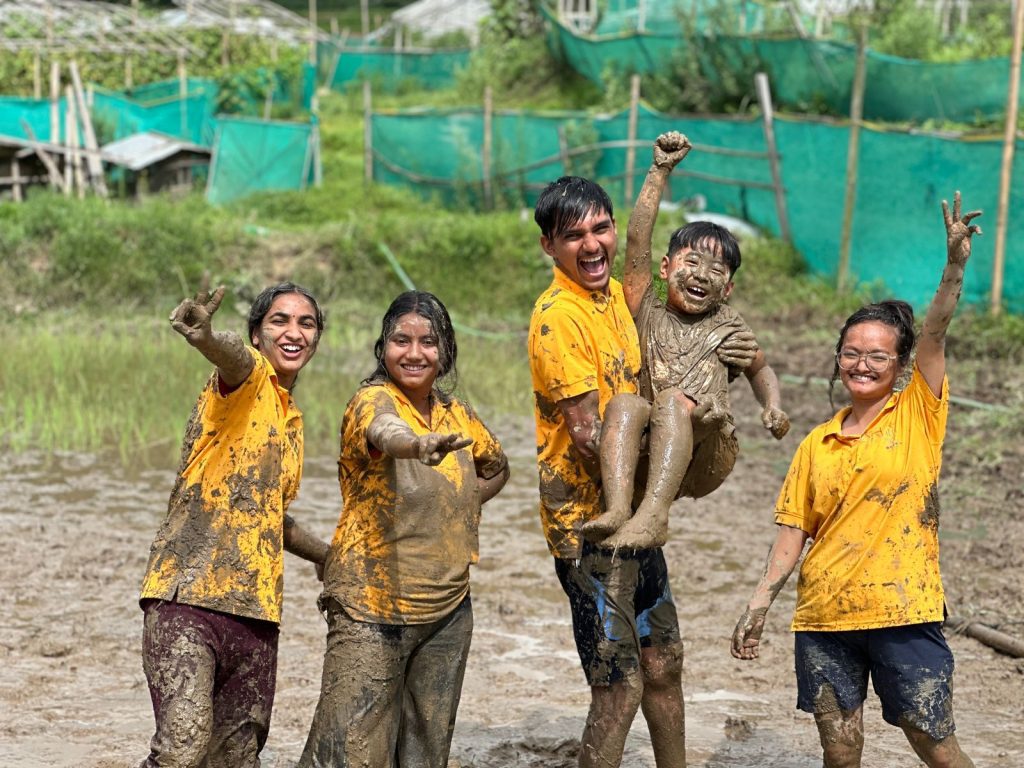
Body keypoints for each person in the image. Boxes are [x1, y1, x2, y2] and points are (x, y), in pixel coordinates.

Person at [730, 191, 981, 768]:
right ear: (838, 358)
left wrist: (955, 265)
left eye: (877, 356)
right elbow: (793, 532)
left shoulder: (918, 412)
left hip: (903, 611)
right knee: (840, 751)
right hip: (824, 617)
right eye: (851, 353)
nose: (862, 364)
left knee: (934, 744)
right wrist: (760, 602)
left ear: (900, 366)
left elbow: (937, 332)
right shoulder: (816, 444)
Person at [528, 176, 756, 768]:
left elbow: (687, 326)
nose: (592, 243)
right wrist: (680, 455)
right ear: (549, 247)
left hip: (637, 516)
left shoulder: (616, 303)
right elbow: (587, 439)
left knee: (663, 662)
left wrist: (728, 354)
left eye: (599, 227)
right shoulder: (559, 318)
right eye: (573, 235)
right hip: (594, 527)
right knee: (619, 683)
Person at [298, 290, 509, 768]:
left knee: (424, 752)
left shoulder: (458, 413)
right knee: (349, 751)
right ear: (383, 348)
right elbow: (384, 432)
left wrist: (457, 500)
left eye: (428, 342)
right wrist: (417, 446)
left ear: (446, 351)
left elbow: (497, 466)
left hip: (449, 610)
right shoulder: (371, 400)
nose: (414, 354)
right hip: (372, 606)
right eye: (400, 340)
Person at [139, 280, 331, 768]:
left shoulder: (291, 420)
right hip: (188, 597)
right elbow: (231, 358)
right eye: (280, 322)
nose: (294, 332)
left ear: (318, 338)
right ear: (256, 335)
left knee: (234, 759)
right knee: (181, 747)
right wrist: (205, 338)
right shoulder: (246, 380)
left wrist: (325, 555)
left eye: (306, 323)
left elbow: (266, 515)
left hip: (257, 612)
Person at [583, 131, 790, 550]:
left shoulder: (729, 325)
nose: (700, 275)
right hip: (651, 443)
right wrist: (659, 170)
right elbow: (638, 239)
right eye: (691, 262)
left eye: (715, 271)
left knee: (676, 402)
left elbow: (760, 367)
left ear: (727, 289)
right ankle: (621, 508)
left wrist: (773, 406)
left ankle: (654, 515)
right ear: (665, 267)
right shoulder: (647, 307)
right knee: (625, 403)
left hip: (707, 447)